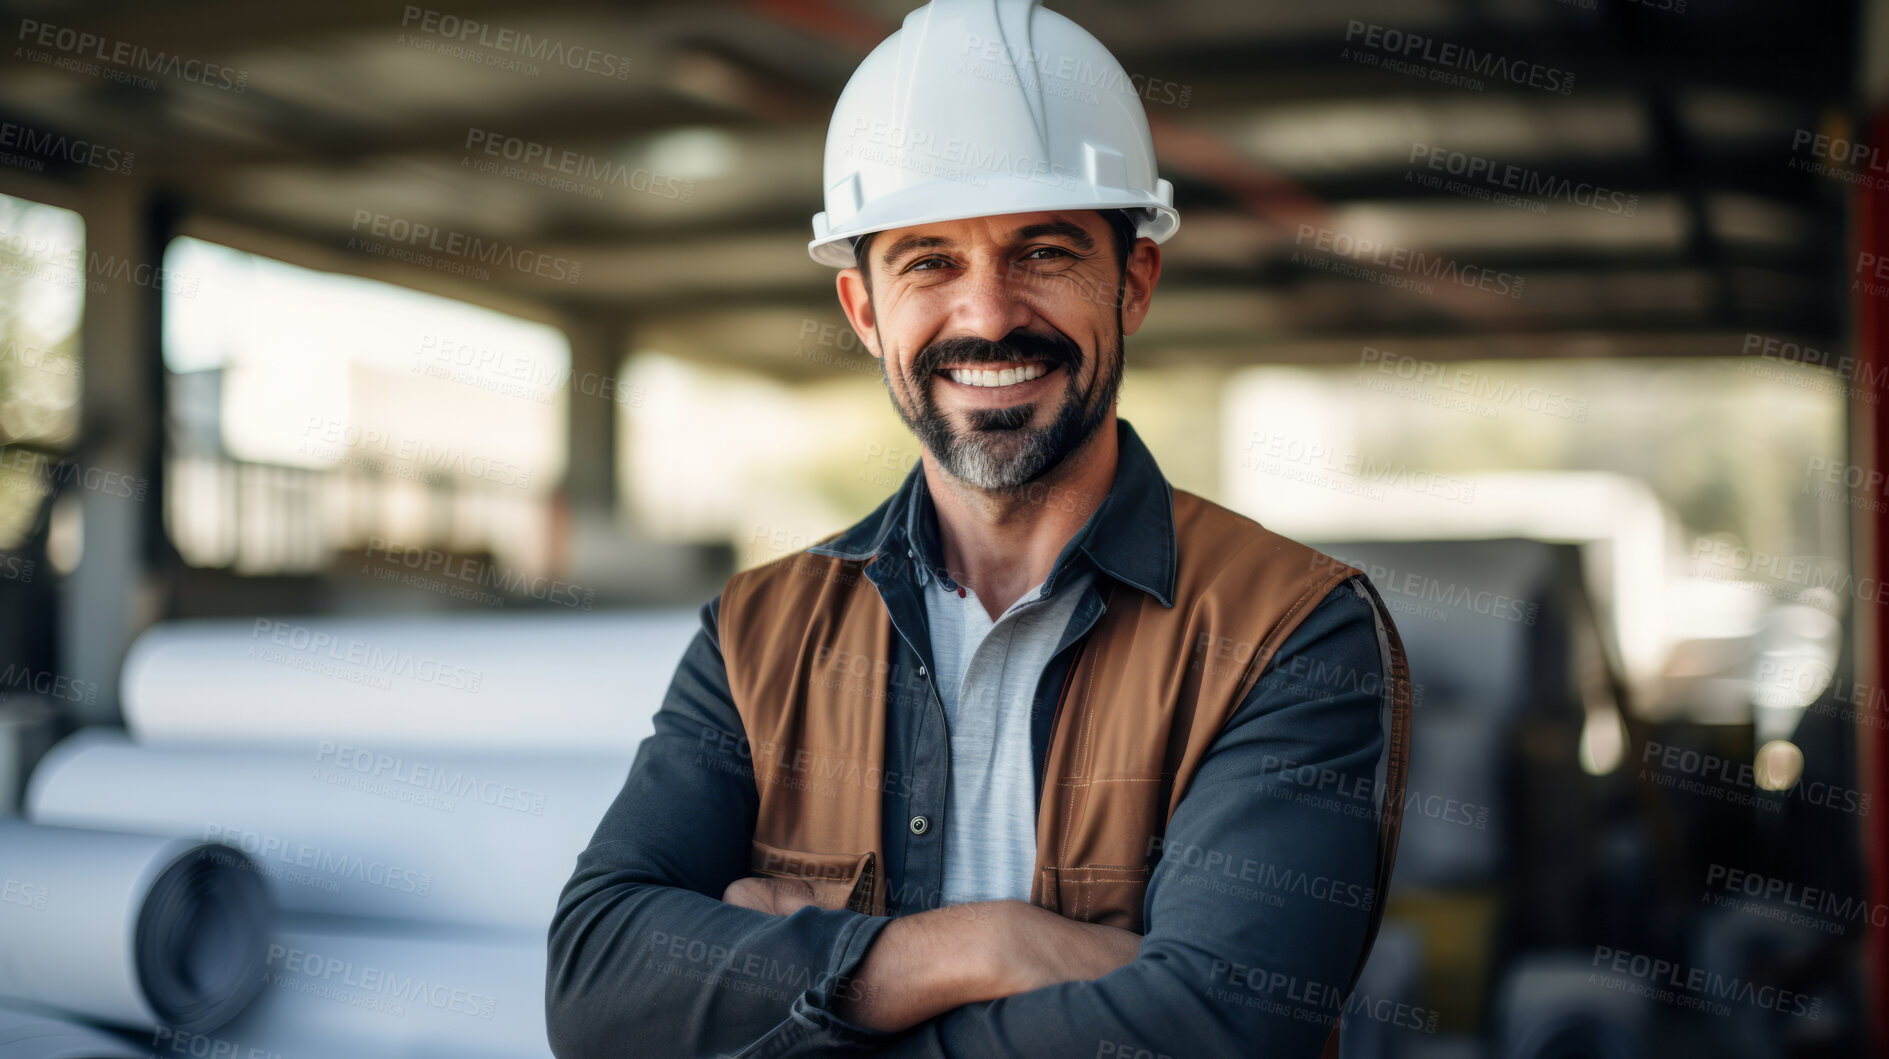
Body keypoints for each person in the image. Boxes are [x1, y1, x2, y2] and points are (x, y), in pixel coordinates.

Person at [546, 1, 1411, 1055]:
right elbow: (595, 988)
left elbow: (1217, 1031)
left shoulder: (1289, 631)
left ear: (1131, 281)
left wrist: (804, 990)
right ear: (863, 311)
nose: (989, 314)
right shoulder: (754, 635)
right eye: (927, 262)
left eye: (1042, 251)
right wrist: (985, 946)